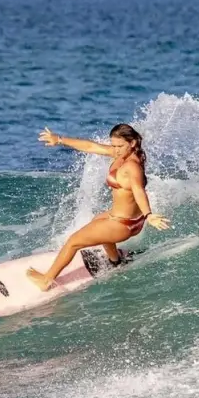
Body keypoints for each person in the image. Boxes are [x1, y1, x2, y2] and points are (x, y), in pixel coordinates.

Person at [26, 124, 171, 292]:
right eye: (114, 145)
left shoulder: (132, 166)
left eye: (120, 146)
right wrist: (59, 139)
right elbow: (90, 146)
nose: (115, 150)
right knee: (97, 221)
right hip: (125, 219)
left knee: (73, 242)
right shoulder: (122, 155)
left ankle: (46, 280)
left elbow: (138, 190)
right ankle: (115, 261)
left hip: (123, 224)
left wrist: (149, 214)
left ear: (131, 143)